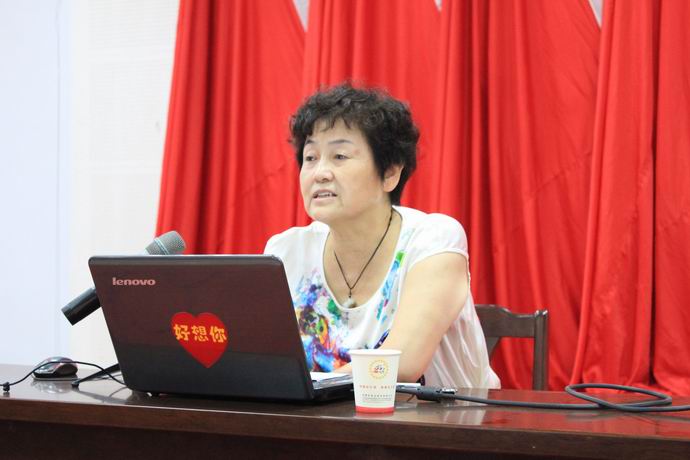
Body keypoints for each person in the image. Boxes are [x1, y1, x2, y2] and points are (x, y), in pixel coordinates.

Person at [264, 83, 499, 388]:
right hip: (320, 416)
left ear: (390, 172)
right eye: (310, 157)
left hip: (439, 417)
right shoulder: (286, 250)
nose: (319, 172)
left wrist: (306, 389)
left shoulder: (433, 240)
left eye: (339, 156)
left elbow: (402, 364)